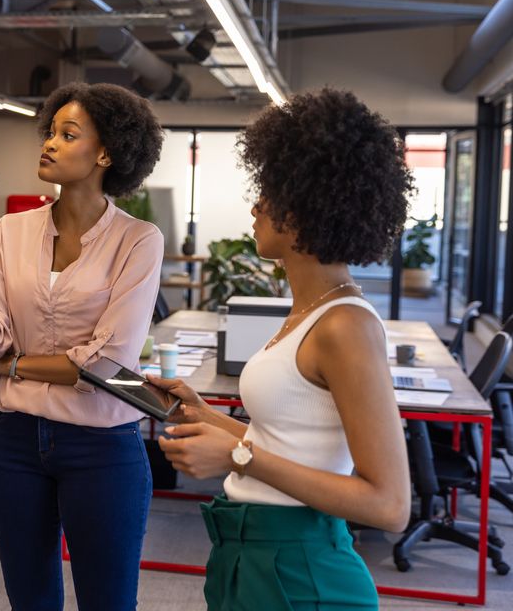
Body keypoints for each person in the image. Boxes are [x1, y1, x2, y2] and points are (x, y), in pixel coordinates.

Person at [149, 88, 413, 611]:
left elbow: (389, 505)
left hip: (302, 570)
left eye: (269, 193)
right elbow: (292, 442)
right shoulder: (306, 313)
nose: (256, 206)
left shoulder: (346, 326)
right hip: (248, 550)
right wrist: (207, 417)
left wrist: (236, 455)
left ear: (304, 209)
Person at [0, 82, 164, 611]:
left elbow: (108, 361)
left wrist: (16, 364)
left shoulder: (139, 240)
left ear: (107, 154)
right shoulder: (10, 230)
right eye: (50, 131)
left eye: (68, 135)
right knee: (30, 598)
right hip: (12, 440)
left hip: (102, 444)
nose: (48, 143)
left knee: (109, 600)